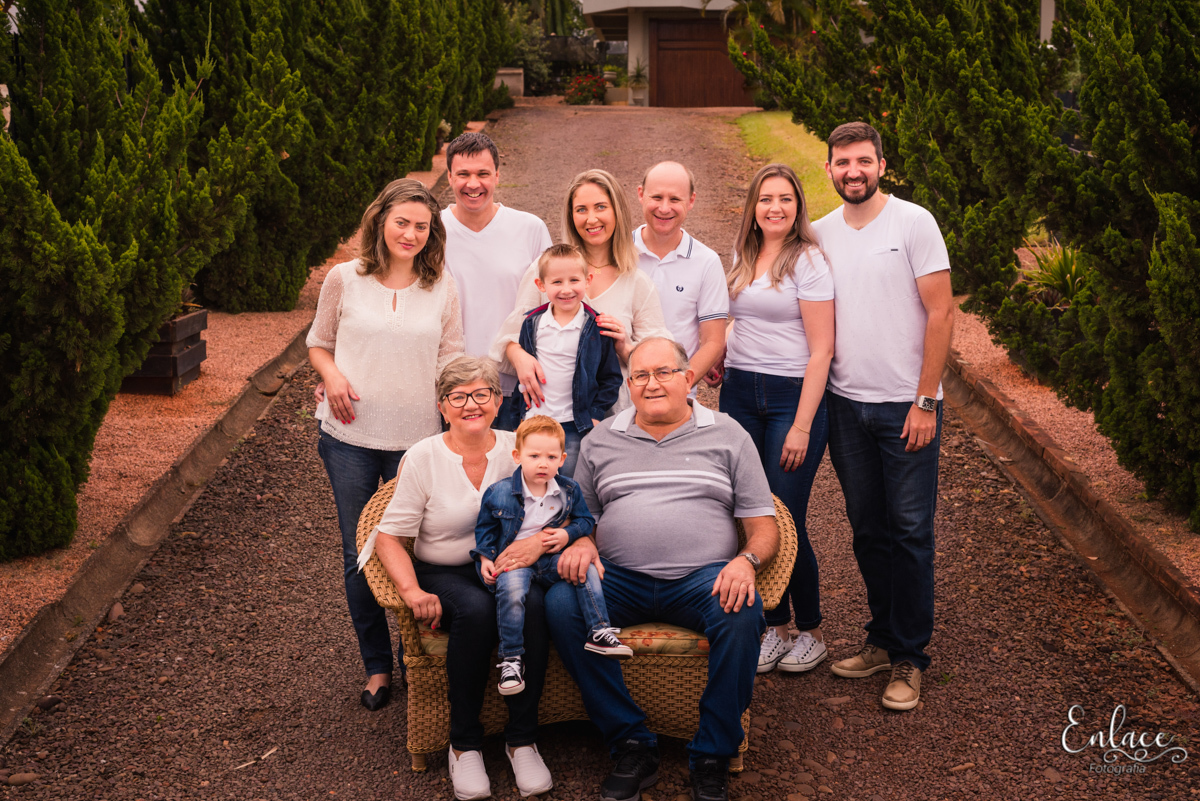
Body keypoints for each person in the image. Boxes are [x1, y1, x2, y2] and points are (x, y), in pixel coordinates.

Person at [537, 337, 779, 801]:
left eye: (663, 372)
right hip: (617, 578)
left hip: (703, 579)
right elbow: (581, 516)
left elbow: (763, 525)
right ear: (628, 385)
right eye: (640, 376)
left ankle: (712, 753)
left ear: (688, 379)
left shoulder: (728, 434)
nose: (652, 384)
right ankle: (630, 741)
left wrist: (746, 562)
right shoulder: (602, 439)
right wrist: (581, 540)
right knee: (562, 603)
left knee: (742, 613)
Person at [359, 357, 554, 800]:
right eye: (458, 396)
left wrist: (546, 544)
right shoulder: (424, 456)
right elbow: (388, 537)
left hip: (505, 567)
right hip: (442, 570)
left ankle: (522, 740)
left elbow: (559, 506)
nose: (471, 404)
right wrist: (411, 590)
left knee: (534, 605)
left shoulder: (519, 449)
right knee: (477, 611)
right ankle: (464, 745)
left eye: (481, 393)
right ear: (442, 407)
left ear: (498, 400)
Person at [811, 122, 954, 711]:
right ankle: (882, 637)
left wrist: (925, 401)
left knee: (911, 532)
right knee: (868, 528)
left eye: (864, 161)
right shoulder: (819, 233)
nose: (854, 172)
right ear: (829, 169)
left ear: (882, 166)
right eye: (843, 162)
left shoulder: (913, 222)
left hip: (905, 405)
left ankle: (909, 656)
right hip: (846, 405)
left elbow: (941, 313)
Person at [308, 178, 463, 712]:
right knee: (360, 551)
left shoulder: (441, 285)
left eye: (422, 226)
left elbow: (450, 358)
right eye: (402, 222)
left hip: (416, 443)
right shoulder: (344, 279)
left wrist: (457, 418)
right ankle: (376, 666)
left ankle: (412, 658)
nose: (411, 234)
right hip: (348, 436)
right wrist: (331, 376)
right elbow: (319, 343)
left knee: (411, 551)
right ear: (380, 221)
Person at [719, 164, 835, 676]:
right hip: (740, 392)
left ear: (797, 206)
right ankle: (774, 626)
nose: (775, 208)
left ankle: (810, 631)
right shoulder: (743, 255)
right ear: (753, 207)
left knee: (784, 514)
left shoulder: (808, 260)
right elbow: (738, 320)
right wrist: (723, 354)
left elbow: (823, 348)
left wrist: (803, 425)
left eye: (785, 199)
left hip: (792, 397)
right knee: (749, 512)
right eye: (766, 199)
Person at [473, 415, 633, 696]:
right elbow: (485, 529)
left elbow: (585, 521)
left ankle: (599, 631)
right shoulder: (499, 492)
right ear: (517, 456)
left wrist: (567, 535)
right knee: (511, 592)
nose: (543, 464)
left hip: (549, 559)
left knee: (586, 568)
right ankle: (511, 659)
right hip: (516, 563)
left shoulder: (569, 490)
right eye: (534, 456)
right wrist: (485, 558)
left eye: (551, 457)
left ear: (562, 459)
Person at [493, 169, 673, 416]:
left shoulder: (636, 281)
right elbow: (512, 335)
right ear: (571, 216)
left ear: (617, 211)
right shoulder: (545, 269)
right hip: (551, 417)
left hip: (615, 415)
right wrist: (519, 357)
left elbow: (660, 360)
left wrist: (624, 347)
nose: (591, 219)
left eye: (600, 207)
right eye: (581, 210)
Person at [441, 132, 554, 396]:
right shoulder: (431, 231)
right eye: (463, 174)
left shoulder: (530, 229)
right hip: (452, 385)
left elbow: (551, 304)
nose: (473, 184)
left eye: (483, 174)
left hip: (517, 384)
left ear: (497, 176)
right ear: (449, 177)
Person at [496, 244, 624, 477]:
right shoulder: (532, 323)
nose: (566, 289)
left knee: (570, 484)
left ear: (588, 280)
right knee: (532, 481)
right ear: (541, 285)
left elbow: (610, 378)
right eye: (557, 282)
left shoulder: (596, 327)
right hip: (534, 421)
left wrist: (595, 415)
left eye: (574, 280)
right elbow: (522, 378)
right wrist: (518, 419)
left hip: (574, 424)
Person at [634, 161, 728, 390]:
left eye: (675, 199)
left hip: (677, 394)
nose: (664, 208)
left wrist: (679, 385)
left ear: (691, 201)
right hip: (619, 395)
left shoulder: (706, 261)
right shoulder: (617, 253)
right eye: (657, 197)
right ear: (641, 194)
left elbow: (714, 341)